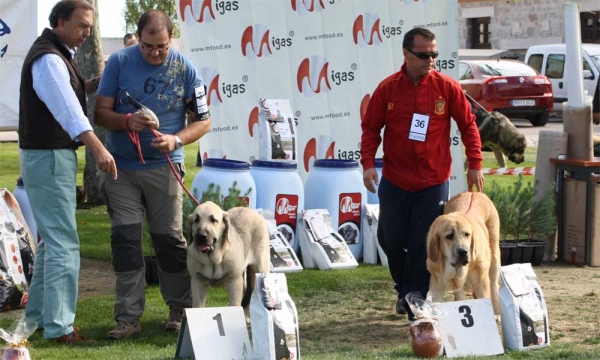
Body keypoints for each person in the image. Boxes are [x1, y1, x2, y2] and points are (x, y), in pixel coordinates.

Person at [94, 10, 211, 340]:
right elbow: (100, 112)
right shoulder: (118, 62)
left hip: (165, 166)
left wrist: (176, 139)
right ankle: (128, 317)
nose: (155, 53)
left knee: (169, 239)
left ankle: (179, 308)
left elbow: (203, 120)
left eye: (161, 46)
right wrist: (125, 122)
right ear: (138, 37)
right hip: (122, 167)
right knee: (126, 239)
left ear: (171, 39)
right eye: (148, 46)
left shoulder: (186, 68)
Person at [360, 27, 484, 320]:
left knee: (422, 242)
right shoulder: (387, 89)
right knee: (389, 237)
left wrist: (475, 162)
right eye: (424, 55)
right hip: (395, 179)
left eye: (434, 54)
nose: (430, 60)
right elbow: (370, 128)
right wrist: (367, 163)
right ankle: (403, 288)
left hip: (433, 181)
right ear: (406, 54)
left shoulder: (447, 87)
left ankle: (415, 295)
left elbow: (468, 125)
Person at [18, 0, 117, 344]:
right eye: (81, 25)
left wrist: (91, 84)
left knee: (51, 243)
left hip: (46, 156)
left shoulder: (57, 52)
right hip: (49, 157)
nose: (87, 33)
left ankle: (40, 320)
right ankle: (60, 328)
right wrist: (99, 148)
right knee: (63, 244)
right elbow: (70, 113)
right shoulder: (49, 58)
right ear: (60, 23)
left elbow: (65, 95)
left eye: (90, 26)